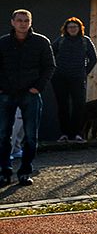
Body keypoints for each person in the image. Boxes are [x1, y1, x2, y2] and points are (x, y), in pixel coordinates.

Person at [0, 10, 56, 186]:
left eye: (26, 20)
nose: (22, 23)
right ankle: (4, 172)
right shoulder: (3, 42)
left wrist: (37, 87)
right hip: (7, 95)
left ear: (30, 22)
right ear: (13, 22)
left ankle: (25, 172)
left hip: (30, 95)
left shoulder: (41, 42)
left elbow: (49, 66)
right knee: (3, 135)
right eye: (19, 20)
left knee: (31, 136)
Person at [51, 17, 97, 143]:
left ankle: (77, 134)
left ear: (79, 28)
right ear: (66, 29)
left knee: (79, 106)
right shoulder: (60, 40)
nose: (72, 29)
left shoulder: (85, 41)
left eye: (75, 27)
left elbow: (93, 59)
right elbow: (49, 55)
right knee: (63, 106)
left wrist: (84, 73)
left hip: (77, 79)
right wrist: (54, 71)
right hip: (60, 79)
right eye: (70, 27)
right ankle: (64, 134)